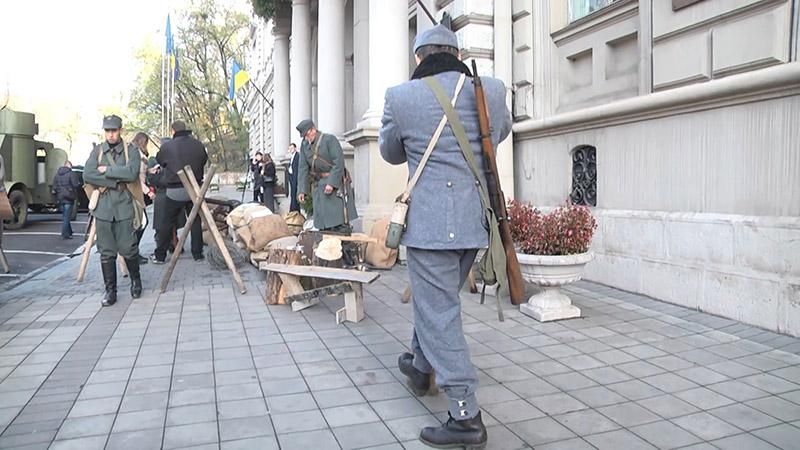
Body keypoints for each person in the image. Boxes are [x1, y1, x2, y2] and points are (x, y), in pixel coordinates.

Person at [378, 21, 512, 449]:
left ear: (419, 58)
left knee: (440, 313)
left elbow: (390, 151)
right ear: (456, 54)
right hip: (475, 224)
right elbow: (499, 132)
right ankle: (420, 366)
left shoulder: (400, 98)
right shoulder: (489, 89)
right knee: (437, 304)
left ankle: (464, 415)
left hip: (430, 227)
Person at [83, 115, 144, 306]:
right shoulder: (97, 152)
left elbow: (132, 172)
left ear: (120, 130)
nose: (110, 134)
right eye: (107, 131)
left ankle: (136, 281)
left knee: (128, 248)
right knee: (106, 251)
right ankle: (110, 291)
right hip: (103, 207)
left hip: (124, 205)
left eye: (114, 130)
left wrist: (106, 171)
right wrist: (116, 178)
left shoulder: (131, 151)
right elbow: (87, 174)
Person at [152, 120, 208, 263]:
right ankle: (197, 253)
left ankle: (160, 255)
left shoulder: (168, 146)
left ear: (173, 131)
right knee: (195, 220)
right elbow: (204, 160)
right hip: (194, 189)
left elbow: (160, 160)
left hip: (174, 190)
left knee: (167, 223)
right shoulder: (198, 144)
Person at [296, 119, 357, 233]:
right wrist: (302, 190)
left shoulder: (329, 140)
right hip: (319, 184)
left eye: (307, 134)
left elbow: (338, 162)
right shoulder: (305, 146)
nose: (306, 138)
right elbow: (302, 168)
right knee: (323, 222)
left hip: (335, 183)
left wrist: (331, 182)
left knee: (338, 221)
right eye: (304, 136)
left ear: (313, 129)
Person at [131, 132, 155, 264]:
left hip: (137, 192)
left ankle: (133, 251)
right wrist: (148, 192)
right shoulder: (138, 156)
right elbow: (137, 178)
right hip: (137, 193)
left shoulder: (136, 154)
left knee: (140, 223)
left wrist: (149, 171)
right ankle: (133, 252)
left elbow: (141, 173)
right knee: (142, 222)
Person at [51, 160, 82, 239]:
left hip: (60, 197)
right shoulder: (71, 174)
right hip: (69, 196)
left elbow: (54, 186)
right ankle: (65, 234)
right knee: (67, 217)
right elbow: (75, 184)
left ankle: (69, 231)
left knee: (65, 215)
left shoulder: (57, 174)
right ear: (69, 166)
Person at [286, 143, 300, 212]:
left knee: (294, 194)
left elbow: (297, 168)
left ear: (295, 148)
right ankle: (293, 209)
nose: (290, 150)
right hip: (291, 177)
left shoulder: (297, 156)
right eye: (289, 148)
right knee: (292, 194)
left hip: (295, 178)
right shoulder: (292, 157)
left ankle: (294, 209)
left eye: (292, 148)